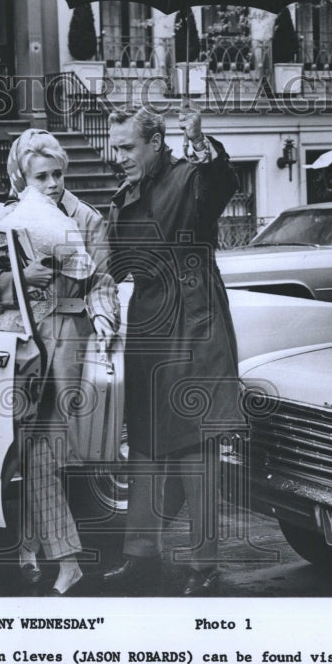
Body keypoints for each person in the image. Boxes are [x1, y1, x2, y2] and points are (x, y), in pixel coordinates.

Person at [0, 129, 119, 595]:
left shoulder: (86, 217)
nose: (52, 183)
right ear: (21, 176)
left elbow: (102, 279)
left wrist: (104, 316)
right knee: (28, 449)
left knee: (40, 449)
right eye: (41, 176)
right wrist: (20, 278)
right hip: (20, 344)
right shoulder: (6, 218)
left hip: (67, 342)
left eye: (58, 173)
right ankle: (32, 547)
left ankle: (66, 559)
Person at [102, 106, 243, 597]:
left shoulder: (190, 177)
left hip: (192, 321)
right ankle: (139, 556)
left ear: (157, 141)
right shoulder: (126, 193)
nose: (116, 157)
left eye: (126, 148)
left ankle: (203, 567)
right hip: (147, 324)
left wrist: (202, 144)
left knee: (193, 449)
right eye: (115, 147)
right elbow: (113, 262)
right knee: (143, 443)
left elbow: (221, 185)